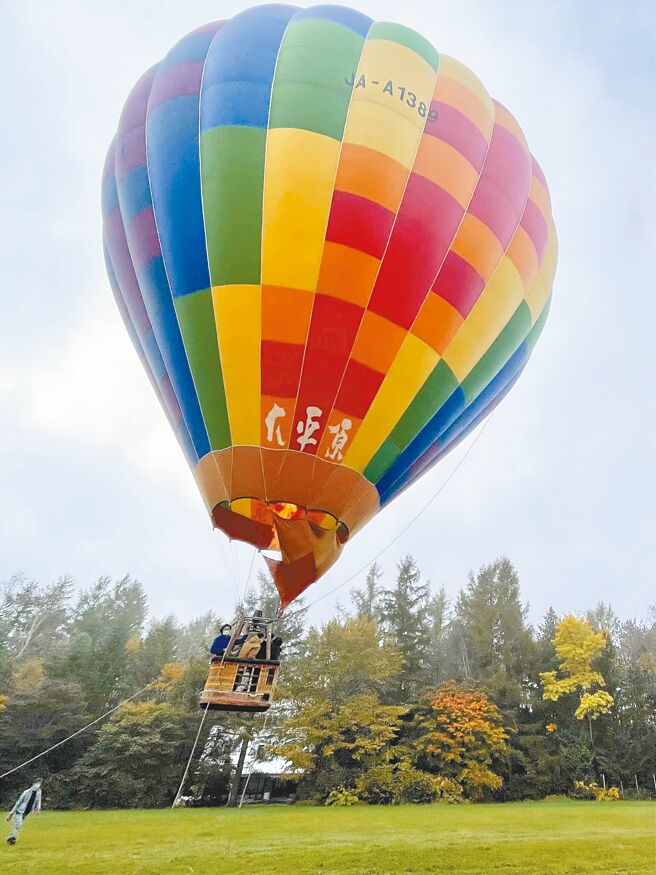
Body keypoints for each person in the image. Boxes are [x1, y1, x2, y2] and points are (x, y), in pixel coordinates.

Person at [6, 778, 42, 845]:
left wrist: (38, 809)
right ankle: (12, 839)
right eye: (37, 783)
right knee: (18, 824)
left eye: (39, 783)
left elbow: (38, 801)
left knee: (17, 825)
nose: (38, 785)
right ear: (33, 784)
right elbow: (18, 802)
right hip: (19, 811)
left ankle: (10, 837)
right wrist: (11, 814)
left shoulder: (39, 791)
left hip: (27, 812)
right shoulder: (26, 792)